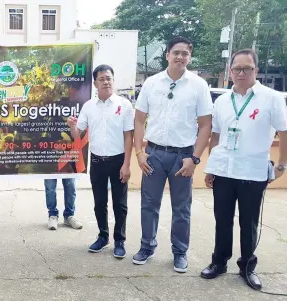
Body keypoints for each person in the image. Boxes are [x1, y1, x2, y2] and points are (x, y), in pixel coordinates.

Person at [200, 49, 287, 290]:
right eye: (236, 68)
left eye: (246, 68)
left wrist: (281, 164)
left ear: (256, 71)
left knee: (248, 223)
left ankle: (247, 267)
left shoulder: (271, 98)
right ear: (230, 71)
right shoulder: (223, 101)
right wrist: (211, 166)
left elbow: (284, 131)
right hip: (224, 171)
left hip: (253, 172)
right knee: (222, 220)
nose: (241, 73)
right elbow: (215, 135)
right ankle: (219, 262)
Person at [133, 36, 213, 272]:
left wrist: (195, 158)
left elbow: (206, 125)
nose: (180, 57)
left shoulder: (198, 85)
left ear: (189, 56)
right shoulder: (152, 83)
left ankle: (180, 252)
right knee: (149, 204)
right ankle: (147, 246)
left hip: (183, 157)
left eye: (185, 53)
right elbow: (139, 120)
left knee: (181, 207)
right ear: (167, 54)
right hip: (154, 154)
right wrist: (139, 152)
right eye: (175, 52)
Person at [67, 64, 134, 256]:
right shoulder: (88, 107)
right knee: (99, 203)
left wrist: (127, 164)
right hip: (97, 161)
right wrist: (72, 126)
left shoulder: (124, 105)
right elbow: (77, 135)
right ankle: (103, 237)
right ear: (95, 83)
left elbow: (128, 136)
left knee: (120, 204)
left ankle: (119, 241)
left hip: (118, 160)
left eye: (109, 78)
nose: (106, 82)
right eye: (102, 79)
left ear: (113, 80)